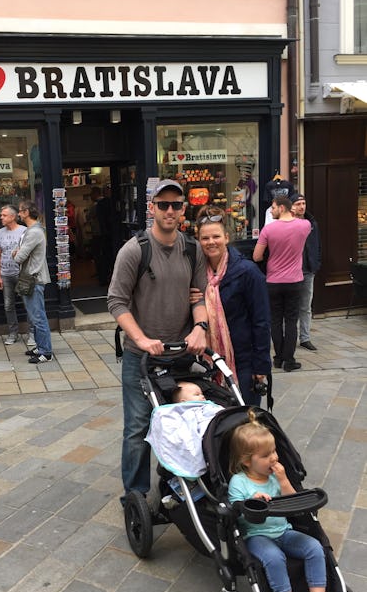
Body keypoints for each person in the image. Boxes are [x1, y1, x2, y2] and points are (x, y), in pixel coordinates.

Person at [107, 178, 209, 503]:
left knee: (182, 422)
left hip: (180, 353)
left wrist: (200, 327)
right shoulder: (134, 250)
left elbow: (199, 295)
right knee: (137, 427)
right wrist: (140, 338)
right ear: (151, 208)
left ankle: (175, 485)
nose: (169, 210)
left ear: (183, 209)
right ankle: (135, 495)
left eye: (175, 205)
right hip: (142, 356)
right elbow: (116, 302)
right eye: (162, 204)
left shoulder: (192, 249)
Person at [228, 410, 342, 592]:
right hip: (256, 535)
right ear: (246, 461)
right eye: (265, 455)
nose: (274, 458)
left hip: (284, 531)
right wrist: (251, 502)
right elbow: (236, 513)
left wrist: (282, 479)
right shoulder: (239, 483)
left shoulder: (274, 477)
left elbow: (292, 501)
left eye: (274, 451)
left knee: (314, 547)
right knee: (273, 557)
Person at [195, 206, 271, 406]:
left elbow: (261, 321)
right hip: (208, 363)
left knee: (243, 423)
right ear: (199, 241)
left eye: (216, 236)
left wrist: (261, 366)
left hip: (242, 361)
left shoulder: (247, 272)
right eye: (205, 238)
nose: (211, 242)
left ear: (226, 238)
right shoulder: (196, 274)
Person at [253, 196, 310, 373]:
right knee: (292, 321)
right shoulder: (304, 226)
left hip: (274, 281)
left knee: (276, 320)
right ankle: (289, 360)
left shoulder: (268, 230)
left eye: (273, 207)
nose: (271, 210)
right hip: (295, 280)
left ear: (282, 208)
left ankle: (278, 358)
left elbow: (256, 256)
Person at [11, 199, 53, 364]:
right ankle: (40, 347)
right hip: (31, 278)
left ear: (27, 212)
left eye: (20, 211)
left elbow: (19, 256)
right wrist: (19, 252)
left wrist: (16, 253)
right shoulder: (32, 230)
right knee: (34, 316)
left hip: (33, 279)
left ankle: (46, 352)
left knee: (38, 317)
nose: (19, 214)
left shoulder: (34, 232)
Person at [290, 194, 321, 352]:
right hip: (291, 271)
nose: (302, 206)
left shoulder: (312, 223)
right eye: (298, 203)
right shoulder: (287, 223)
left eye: (303, 203)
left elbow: (317, 244)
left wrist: (316, 263)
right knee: (289, 306)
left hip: (308, 269)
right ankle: (288, 337)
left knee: (306, 306)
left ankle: (305, 338)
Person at [0, 205, 28, 345]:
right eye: (1, 215)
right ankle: (13, 333)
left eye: (4, 215)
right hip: (6, 274)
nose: (1, 217)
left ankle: (32, 333)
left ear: (13, 217)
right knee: (8, 305)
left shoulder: (24, 231)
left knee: (28, 304)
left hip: (22, 274)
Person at [88, 186, 108, 286]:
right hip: (105, 233)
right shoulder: (107, 203)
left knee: (98, 255)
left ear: (96, 194)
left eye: (91, 194)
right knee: (104, 254)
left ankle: (102, 276)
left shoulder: (95, 205)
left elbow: (88, 216)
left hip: (97, 233)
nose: (90, 196)